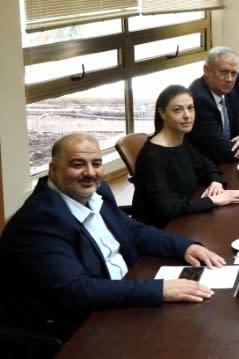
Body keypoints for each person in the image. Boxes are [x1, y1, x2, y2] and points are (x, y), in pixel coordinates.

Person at [0, 133, 226, 341]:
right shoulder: (40, 221)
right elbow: (77, 291)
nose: (90, 172)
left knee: (207, 325)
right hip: (79, 326)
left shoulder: (97, 191)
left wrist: (185, 247)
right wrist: (159, 290)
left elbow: (132, 229)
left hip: (120, 295)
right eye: (78, 164)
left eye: (96, 164)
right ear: (53, 170)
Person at [132, 85, 239, 228]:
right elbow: (167, 207)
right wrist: (213, 201)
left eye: (190, 108)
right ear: (162, 113)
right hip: (164, 231)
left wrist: (215, 181)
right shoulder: (152, 157)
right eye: (178, 110)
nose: (187, 115)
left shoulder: (181, 142)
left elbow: (208, 166)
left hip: (188, 219)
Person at [187, 46, 239, 163]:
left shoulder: (228, 92)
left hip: (226, 165)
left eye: (234, 73)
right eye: (224, 72)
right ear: (207, 71)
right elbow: (224, 152)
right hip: (207, 171)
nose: (229, 79)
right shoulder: (200, 99)